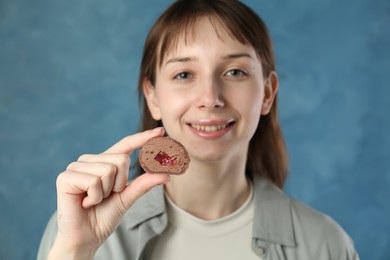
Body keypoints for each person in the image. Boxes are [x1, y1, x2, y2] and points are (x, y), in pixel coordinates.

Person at [38, 0, 359, 259]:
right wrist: (76, 251)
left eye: (234, 71)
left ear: (267, 93)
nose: (210, 98)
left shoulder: (326, 244)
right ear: (153, 97)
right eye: (183, 75)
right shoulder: (76, 231)